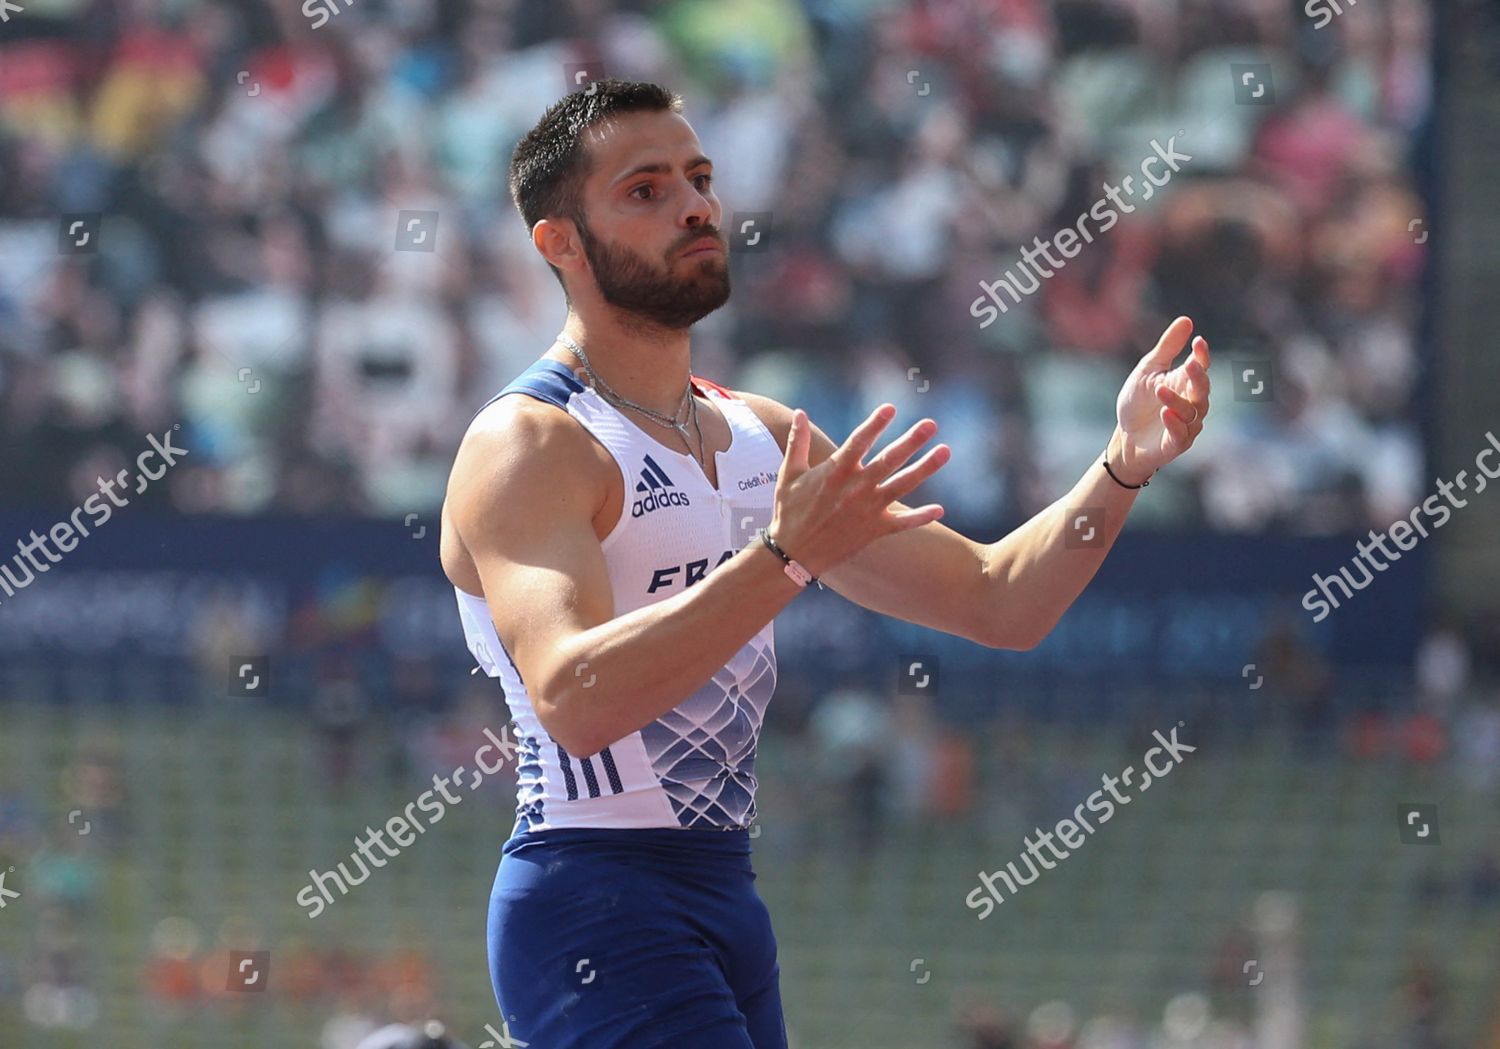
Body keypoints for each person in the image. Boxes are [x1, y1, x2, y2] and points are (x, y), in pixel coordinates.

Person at [438, 79, 1212, 1049]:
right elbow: (574, 694)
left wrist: (1121, 465)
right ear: (559, 242)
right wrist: (785, 556)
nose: (693, 205)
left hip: (727, 893)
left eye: (700, 178)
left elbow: (1000, 601)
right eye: (645, 190)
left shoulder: (758, 435)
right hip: (591, 893)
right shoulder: (532, 442)